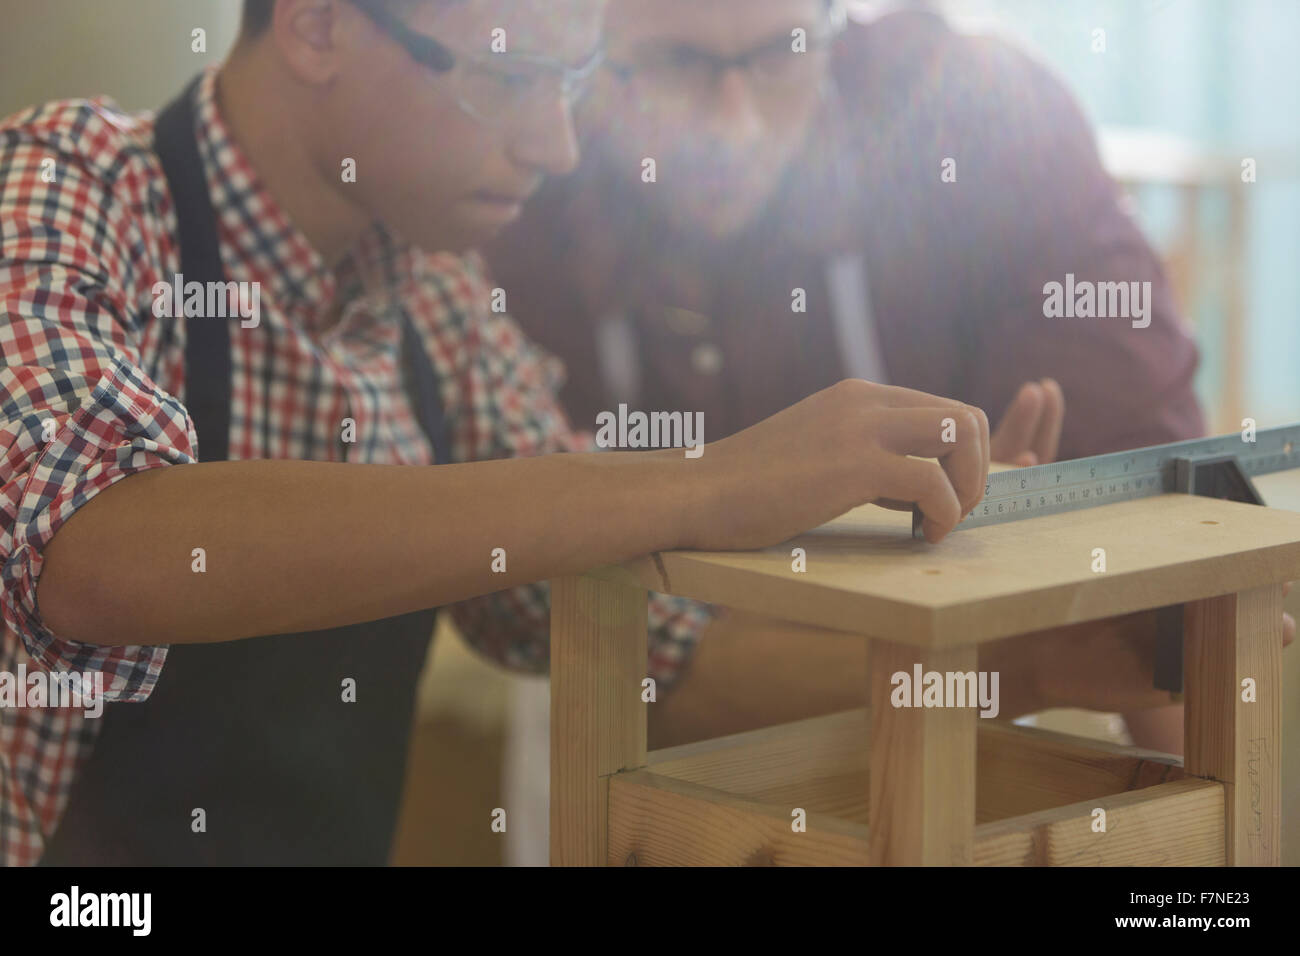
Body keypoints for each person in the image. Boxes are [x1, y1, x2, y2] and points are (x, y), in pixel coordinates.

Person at [0, 0, 992, 865]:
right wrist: (711, 480)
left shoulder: (434, 296)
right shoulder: (67, 183)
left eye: (573, 82)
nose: (557, 147)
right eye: (510, 77)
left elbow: (655, 652)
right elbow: (89, 546)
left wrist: (1002, 658)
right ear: (316, 25)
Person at [484, 0, 1295, 754]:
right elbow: (537, 595)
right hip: (626, 710)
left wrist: (1202, 821)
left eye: (778, 56)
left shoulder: (987, 116)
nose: (734, 124)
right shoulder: (520, 168)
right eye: (673, 64)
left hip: (965, 712)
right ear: (583, 47)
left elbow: (1153, 520)